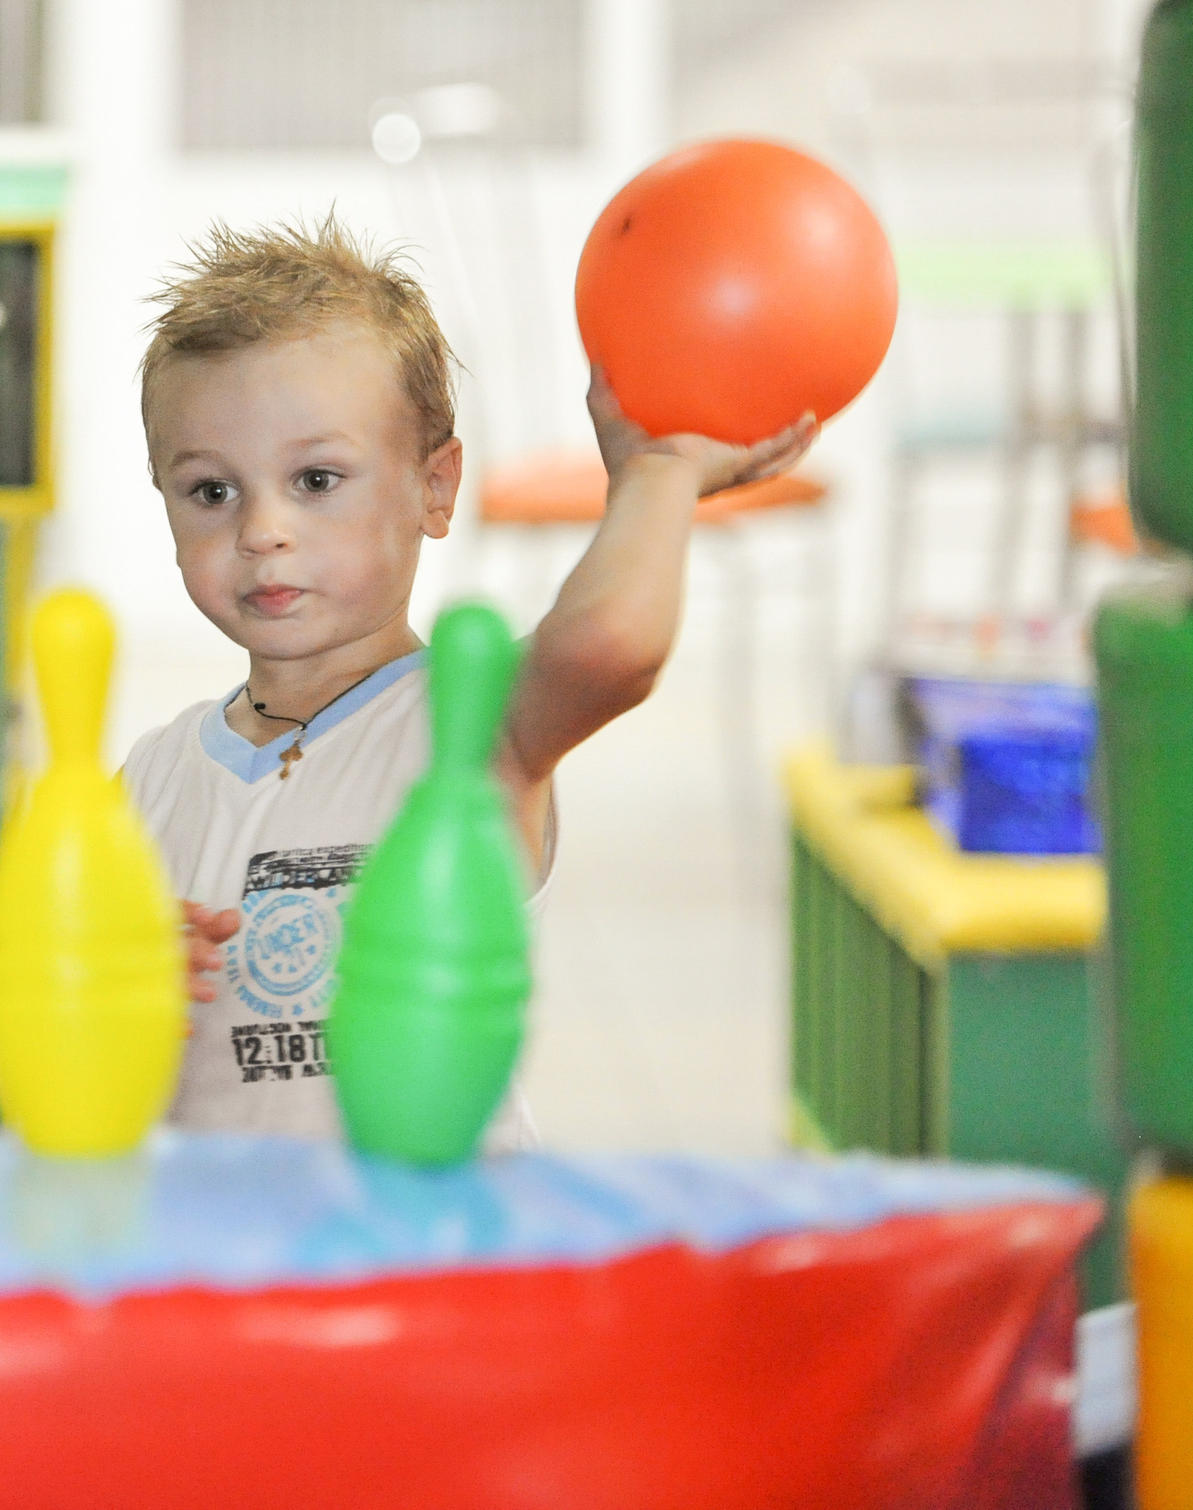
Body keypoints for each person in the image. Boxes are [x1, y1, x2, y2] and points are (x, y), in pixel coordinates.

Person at [126, 216, 815, 1139]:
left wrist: (658, 477)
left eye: (318, 479)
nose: (262, 531)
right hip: (227, 1267)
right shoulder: (149, 780)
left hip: (438, 1265)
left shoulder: (470, 728)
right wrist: (110, 987)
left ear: (435, 489)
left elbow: (610, 644)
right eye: (212, 490)